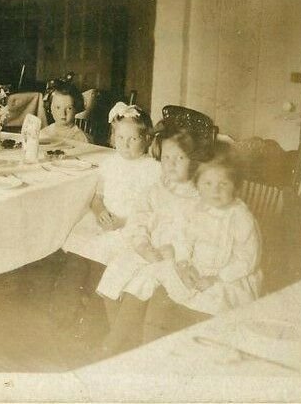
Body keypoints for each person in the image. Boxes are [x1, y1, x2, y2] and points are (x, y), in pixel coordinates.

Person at [95, 126, 205, 354]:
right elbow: (137, 221)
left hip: (175, 259)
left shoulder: (199, 197)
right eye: (166, 157)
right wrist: (143, 245)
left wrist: (175, 255)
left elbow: (198, 234)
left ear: (193, 161)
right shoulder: (155, 190)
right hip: (147, 251)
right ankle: (125, 337)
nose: (171, 164)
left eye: (180, 158)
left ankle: (114, 343)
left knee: (139, 286)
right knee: (114, 274)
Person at [59, 102, 161, 313]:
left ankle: (93, 309)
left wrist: (123, 222)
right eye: (120, 138)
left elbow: (154, 210)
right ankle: (67, 306)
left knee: (105, 257)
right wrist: (100, 212)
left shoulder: (153, 169)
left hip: (131, 225)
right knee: (78, 248)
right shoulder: (110, 163)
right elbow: (98, 198)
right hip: (104, 220)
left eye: (133, 139)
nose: (125, 144)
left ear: (147, 139)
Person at [163, 152, 263, 316]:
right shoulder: (196, 208)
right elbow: (184, 239)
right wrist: (184, 263)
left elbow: (247, 259)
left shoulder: (240, 216)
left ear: (236, 187)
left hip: (230, 275)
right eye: (207, 183)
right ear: (197, 186)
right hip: (197, 267)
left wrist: (217, 279)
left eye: (223, 184)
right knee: (168, 287)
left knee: (215, 304)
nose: (215, 190)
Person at [40, 78, 90, 143]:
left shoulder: (80, 138)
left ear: (76, 109)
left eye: (69, 108)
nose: (63, 113)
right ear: (50, 108)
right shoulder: (44, 133)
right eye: (58, 107)